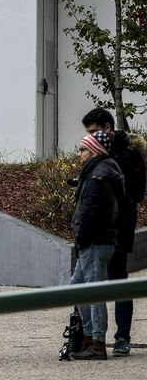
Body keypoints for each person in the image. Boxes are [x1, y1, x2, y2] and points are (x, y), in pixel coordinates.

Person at [82, 108, 146, 356]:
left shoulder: (129, 155)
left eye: (94, 131)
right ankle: (92, 336)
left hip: (118, 226)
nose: (90, 136)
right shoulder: (94, 153)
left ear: (108, 127)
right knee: (91, 281)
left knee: (118, 280)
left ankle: (122, 336)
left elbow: (137, 194)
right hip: (97, 227)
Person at [70, 130, 125, 360]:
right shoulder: (101, 171)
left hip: (94, 242)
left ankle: (97, 342)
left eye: (82, 149)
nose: (79, 153)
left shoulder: (97, 175)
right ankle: (91, 336)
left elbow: (91, 212)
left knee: (93, 291)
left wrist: (81, 240)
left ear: (93, 150)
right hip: (99, 240)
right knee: (77, 287)